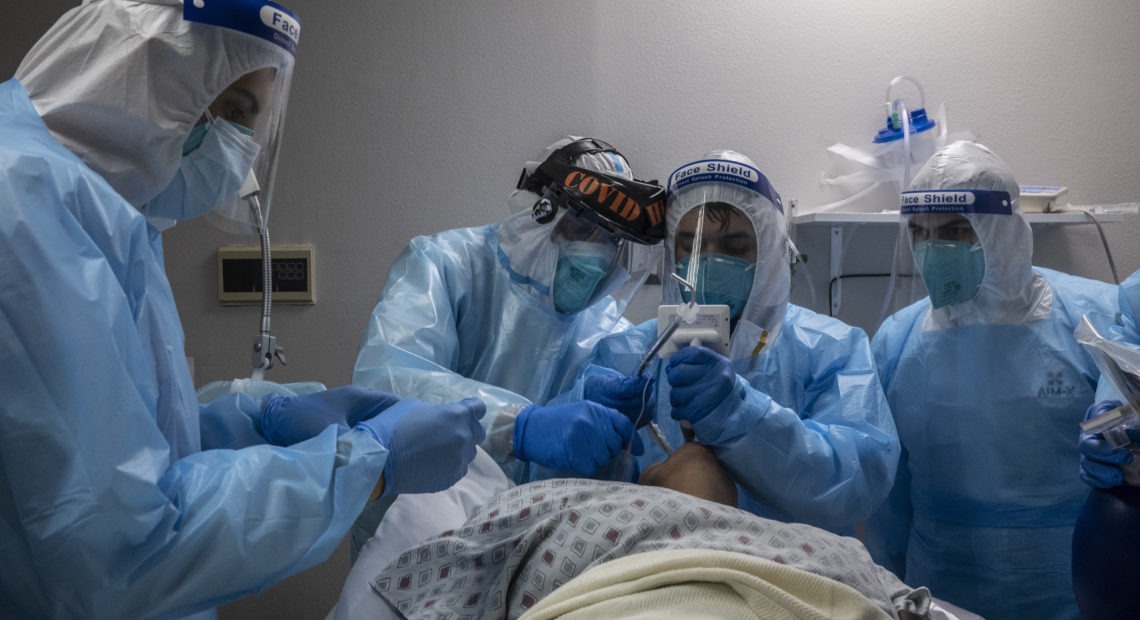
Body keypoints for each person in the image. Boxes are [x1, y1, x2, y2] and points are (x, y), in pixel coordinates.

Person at [0, 1, 484, 618]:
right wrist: (365, 465)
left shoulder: (103, 212)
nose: (238, 146)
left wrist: (257, 421)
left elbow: (115, 445)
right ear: (149, 75)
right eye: (232, 110)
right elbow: (114, 552)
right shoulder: (23, 205)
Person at [573, 149, 900, 535]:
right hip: (665, 579)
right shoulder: (626, 355)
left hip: (790, 578)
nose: (708, 262)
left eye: (734, 247)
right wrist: (590, 434)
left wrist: (744, 416)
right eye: (690, 245)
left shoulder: (830, 349)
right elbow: (574, 499)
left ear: (771, 252)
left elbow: (858, 483)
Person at [864, 140, 1117, 620]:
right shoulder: (897, 342)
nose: (934, 250)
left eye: (957, 230)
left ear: (1005, 231)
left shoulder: (1094, 321)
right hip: (939, 591)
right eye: (920, 232)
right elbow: (886, 505)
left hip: (1075, 584)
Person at [352, 136, 667, 491]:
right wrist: (517, 426)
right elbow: (387, 384)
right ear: (538, 211)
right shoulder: (445, 265)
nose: (595, 253)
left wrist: (585, 404)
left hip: (532, 537)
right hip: (414, 528)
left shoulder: (606, 328)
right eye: (581, 226)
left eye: (611, 239)